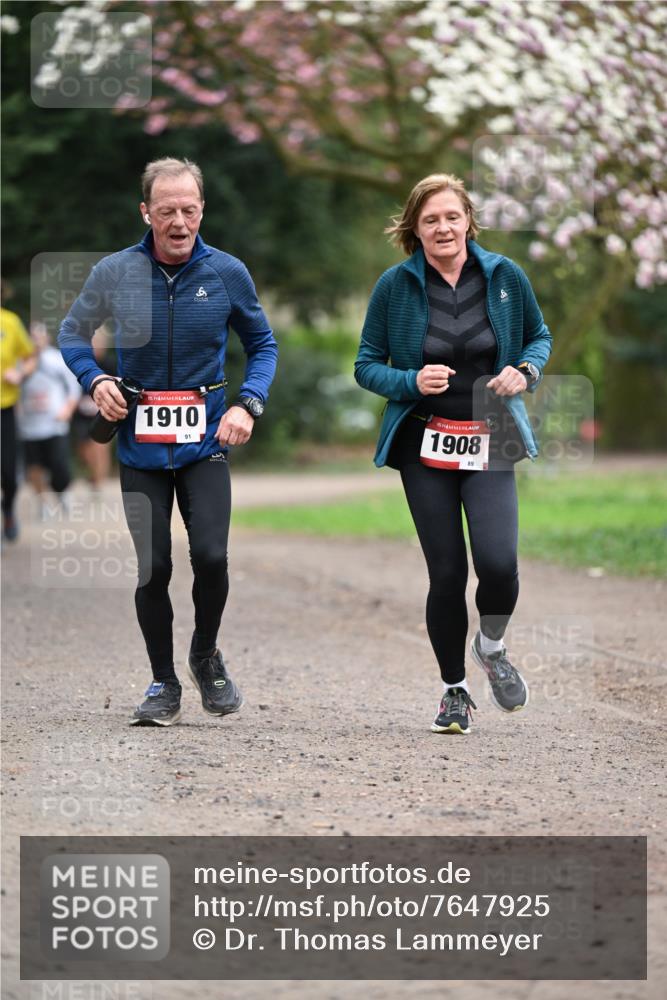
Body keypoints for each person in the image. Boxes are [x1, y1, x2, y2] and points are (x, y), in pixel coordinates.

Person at [59, 157, 278, 727]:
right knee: (153, 568)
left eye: (189, 209)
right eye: (166, 211)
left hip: (206, 437)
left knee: (209, 555)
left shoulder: (228, 273)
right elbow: (71, 335)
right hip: (141, 443)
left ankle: (205, 652)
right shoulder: (115, 271)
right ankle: (163, 682)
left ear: (202, 209)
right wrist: (97, 379)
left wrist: (247, 403)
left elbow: (263, 345)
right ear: (145, 212)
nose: (179, 222)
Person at [354, 173, 552, 735]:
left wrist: (526, 369)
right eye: (430, 219)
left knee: (498, 565)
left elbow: (540, 336)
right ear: (414, 229)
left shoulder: (505, 276)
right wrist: (411, 379)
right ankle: (454, 691)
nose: (443, 227)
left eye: (451, 216)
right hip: (425, 443)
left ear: (468, 219)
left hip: (490, 438)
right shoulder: (395, 286)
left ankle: (490, 646)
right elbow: (365, 364)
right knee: (446, 574)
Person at [18, 322, 81, 518]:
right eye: (32, 337)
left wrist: (68, 409)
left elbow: (73, 386)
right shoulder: (19, 361)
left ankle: (63, 493)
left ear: (47, 338)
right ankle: (43, 502)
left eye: (39, 336)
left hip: (55, 424)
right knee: (34, 467)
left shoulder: (57, 359)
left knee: (59, 465)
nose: (36, 341)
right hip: (29, 426)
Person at [1, 295, 37, 541]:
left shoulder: (10, 322)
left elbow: (31, 358)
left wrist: (20, 373)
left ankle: (9, 510)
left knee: (8, 472)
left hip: (5, 407)